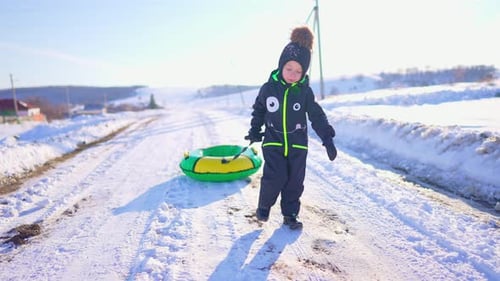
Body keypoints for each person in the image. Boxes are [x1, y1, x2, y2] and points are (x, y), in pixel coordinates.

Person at [245, 26, 337, 230]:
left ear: (304, 73)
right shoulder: (268, 89)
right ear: (280, 66)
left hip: (298, 145)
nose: (293, 74)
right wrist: (254, 130)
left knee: (295, 182)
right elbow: (259, 110)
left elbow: (316, 115)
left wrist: (327, 137)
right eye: (289, 69)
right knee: (274, 177)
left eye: (298, 71)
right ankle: (264, 207)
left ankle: (290, 215)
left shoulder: (304, 92)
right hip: (273, 141)